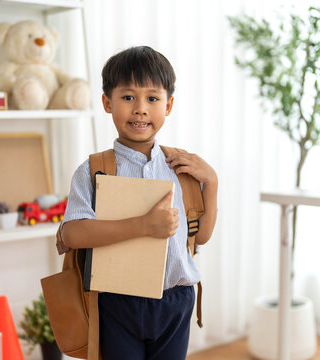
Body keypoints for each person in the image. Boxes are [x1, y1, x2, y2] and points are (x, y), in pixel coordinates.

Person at [61, 46, 218, 360]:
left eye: (153, 98)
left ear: (168, 105)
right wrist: (143, 226)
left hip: (176, 298)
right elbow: (72, 235)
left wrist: (211, 182)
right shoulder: (93, 171)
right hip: (119, 303)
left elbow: (200, 236)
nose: (141, 109)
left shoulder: (182, 167)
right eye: (128, 97)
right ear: (108, 103)